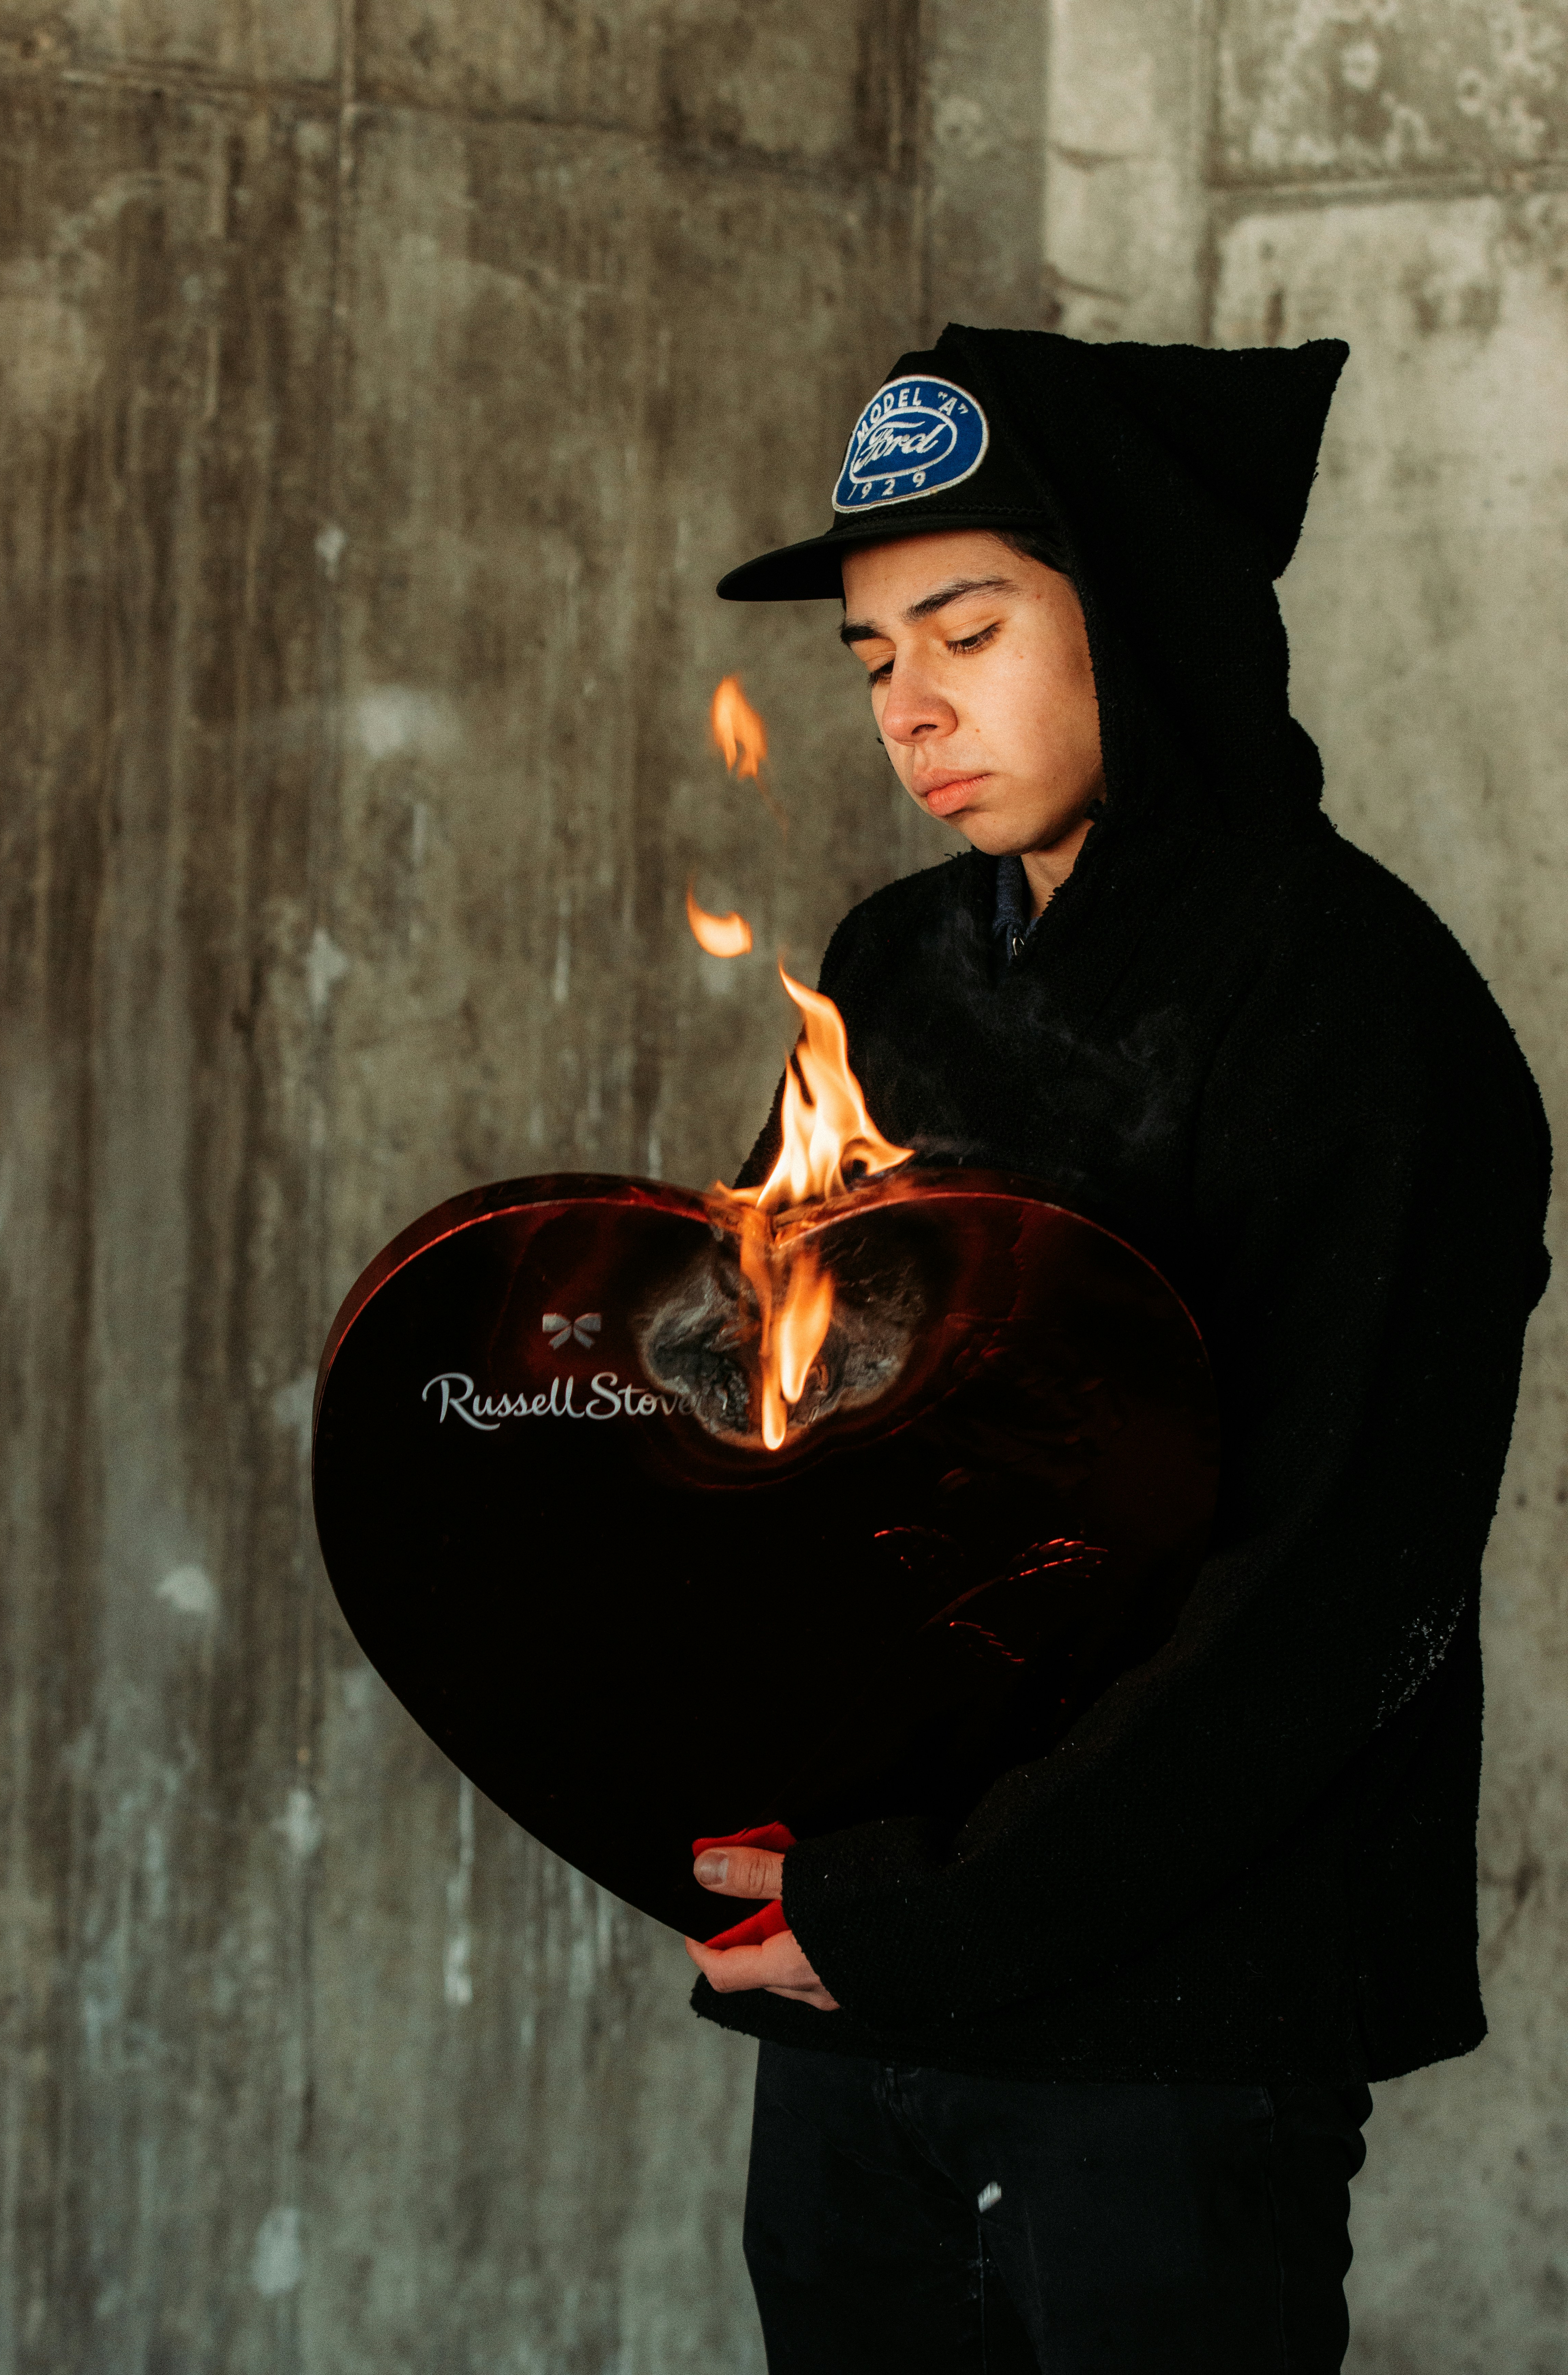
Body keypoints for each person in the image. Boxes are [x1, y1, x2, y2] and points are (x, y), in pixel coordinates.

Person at [678, 326, 1552, 2373]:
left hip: (1173, 2035)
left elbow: (1333, 1590)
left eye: (966, 628)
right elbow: (780, 1419)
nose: (912, 707)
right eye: (876, 656)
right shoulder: (895, 966)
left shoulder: (1355, 1011)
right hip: (863, 1987)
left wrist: (938, 1909)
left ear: (1140, 616)